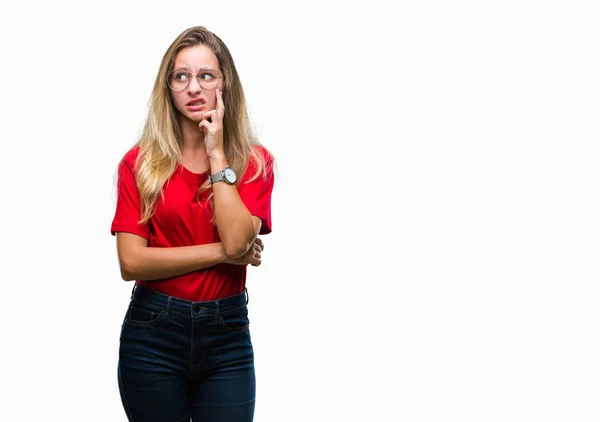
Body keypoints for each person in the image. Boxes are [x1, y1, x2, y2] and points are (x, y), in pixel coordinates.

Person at [110, 25, 274, 422]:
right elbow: (131, 263)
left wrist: (217, 153)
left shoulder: (254, 163)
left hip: (227, 337)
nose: (193, 88)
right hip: (153, 334)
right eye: (181, 76)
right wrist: (225, 254)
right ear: (167, 87)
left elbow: (239, 238)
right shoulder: (140, 164)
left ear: (224, 82)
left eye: (206, 76)